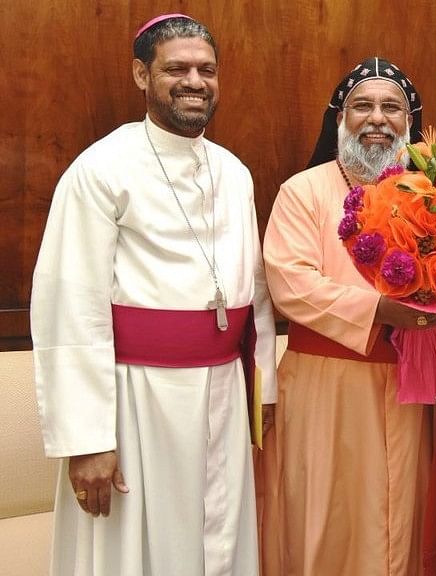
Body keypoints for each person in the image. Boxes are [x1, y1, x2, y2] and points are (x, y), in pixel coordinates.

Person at [31, 14, 278, 576]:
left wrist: (262, 387)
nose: (195, 81)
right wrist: (87, 438)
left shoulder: (234, 172)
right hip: (137, 400)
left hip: (222, 392)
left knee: (221, 540)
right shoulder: (100, 169)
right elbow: (69, 305)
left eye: (206, 70)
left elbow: (255, 292)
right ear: (142, 75)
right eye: (177, 69)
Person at [257, 57, 436, 576]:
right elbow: (290, 284)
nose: (377, 118)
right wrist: (381, 311)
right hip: (324, 386)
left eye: (393, 108)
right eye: (363, 105)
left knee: (399, 518)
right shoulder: (303, 191)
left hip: (409, 383)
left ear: (410, 124)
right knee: (324, 515)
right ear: (339, 119)